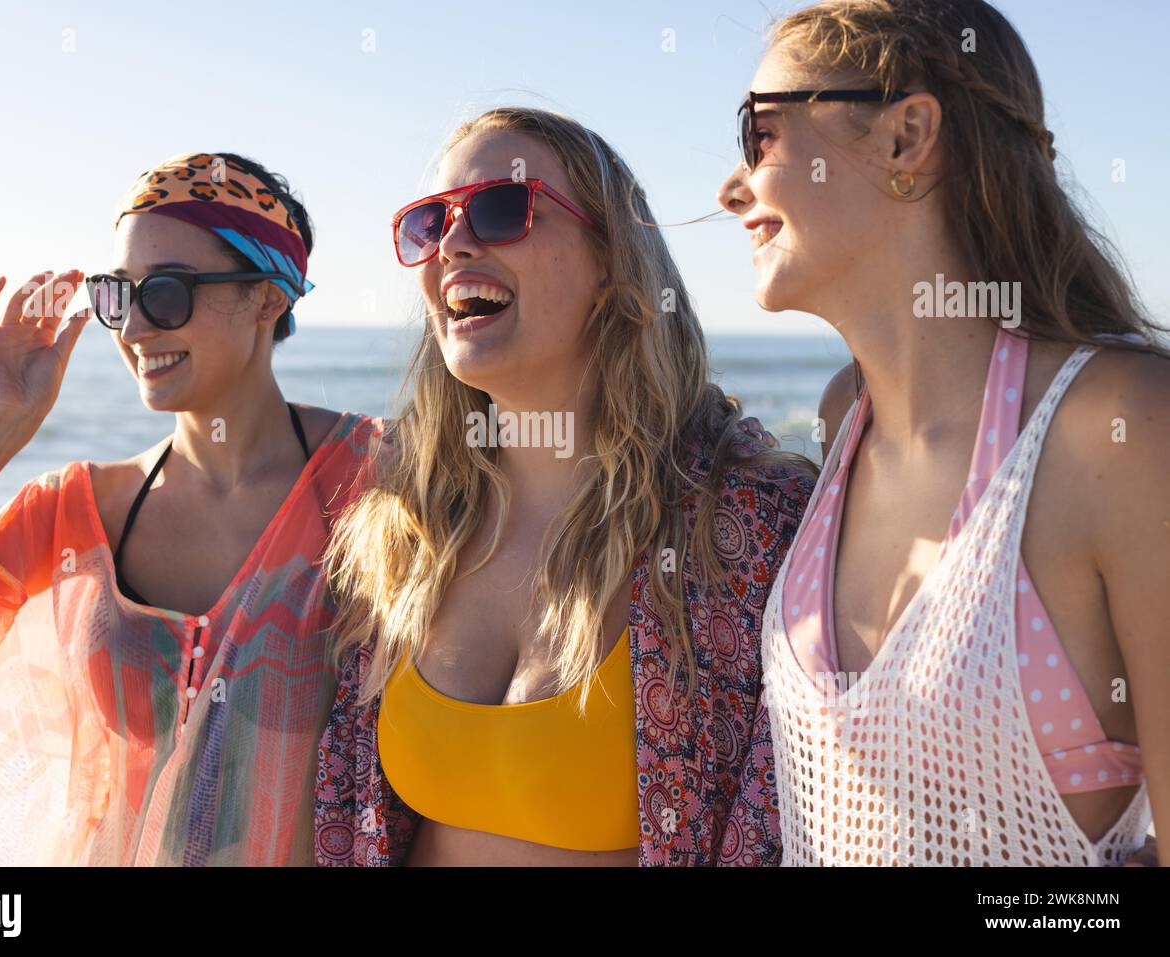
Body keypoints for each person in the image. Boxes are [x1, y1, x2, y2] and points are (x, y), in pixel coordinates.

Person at [716, 0, 1169, 865]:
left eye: (761, 132)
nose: (733, 185)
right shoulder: (845, 415)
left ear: (905, 137)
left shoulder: (1121, 428)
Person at [313, 107, 817, 866]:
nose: (453, 242)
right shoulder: (405, 525)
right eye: (428, 222)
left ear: (612, 256)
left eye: (501, 206)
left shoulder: (740, 521)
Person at [0, 152, 377, 865]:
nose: (134, 328)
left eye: (166, 292)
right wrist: (4, 419)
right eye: (118, 294)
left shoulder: (373, 479)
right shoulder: (79, 514)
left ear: (269, 297)